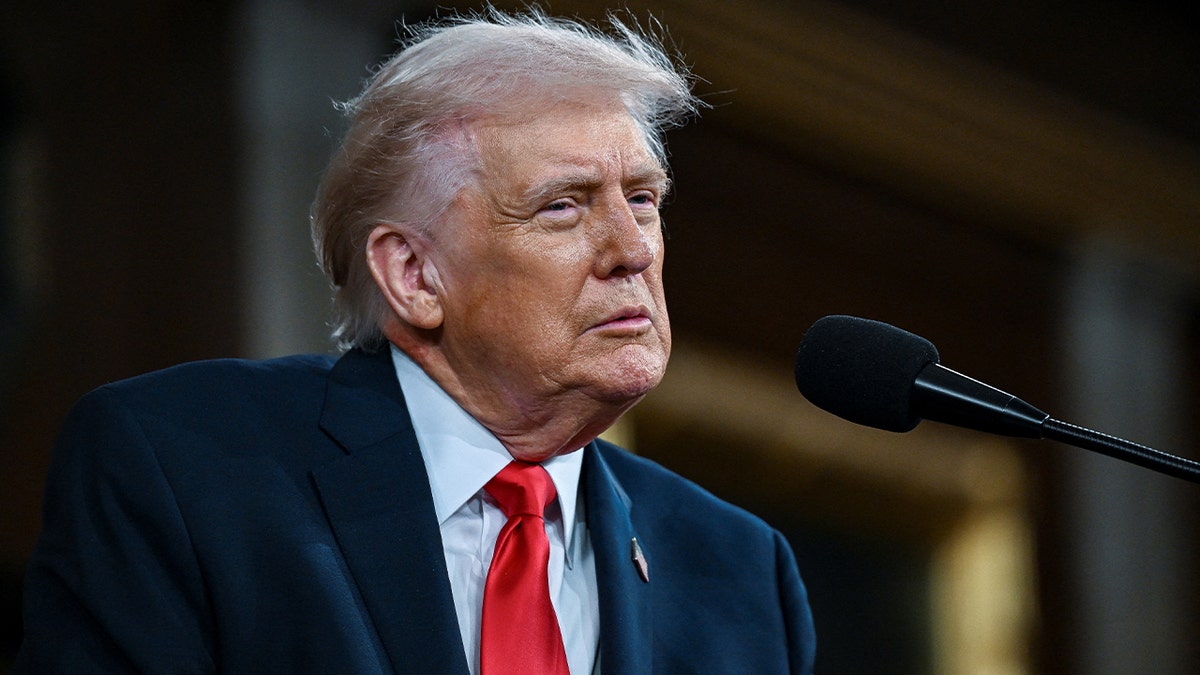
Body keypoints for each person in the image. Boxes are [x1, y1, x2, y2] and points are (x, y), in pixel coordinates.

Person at [16, 9, 816, 674]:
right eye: (563, 207)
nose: (633, 249)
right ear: (413, 274)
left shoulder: (740, 572)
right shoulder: (183, 473)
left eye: (641, 199)